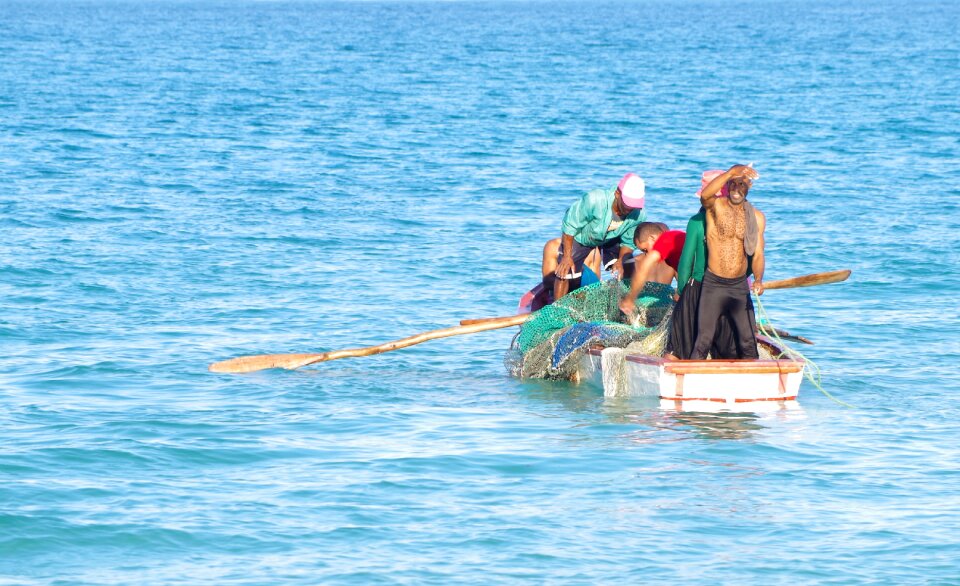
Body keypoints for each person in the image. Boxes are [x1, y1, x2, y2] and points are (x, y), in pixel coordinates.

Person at [690, 164, 766, 360]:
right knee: (703, 340)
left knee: (748, 340)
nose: (737, 189)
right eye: (733, 184)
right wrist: (731, 172)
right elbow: (705, 196)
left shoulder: (756, 217)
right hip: (713, 284)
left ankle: (755, 384)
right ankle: (691, 382)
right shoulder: (716, 207)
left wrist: (758, 279)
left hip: (739, 286)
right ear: (728, 184)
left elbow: (758, 254)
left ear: (749, 186)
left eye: (742, 184)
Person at [542, 173, 647, 300]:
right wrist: (567, 256)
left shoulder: (638, 215)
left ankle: (627, 304)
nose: (630, 209)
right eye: (627, 204)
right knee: (566, 269)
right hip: (582, 237)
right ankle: (556, 310)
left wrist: (620, 260)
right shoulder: (595, 200)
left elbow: (628, 241)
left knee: (628, 262)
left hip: (612, 238)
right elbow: (570, 225)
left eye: (634, 205)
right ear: (617, 194)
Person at [618, 222, 682, 316]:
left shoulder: (671, 259)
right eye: (643, 251)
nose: (647, 253)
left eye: (644, 249)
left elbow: (639, 274)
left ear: (652, 238)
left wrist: (629, 299)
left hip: (647, 309)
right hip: (659, 307)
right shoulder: (673, 258)